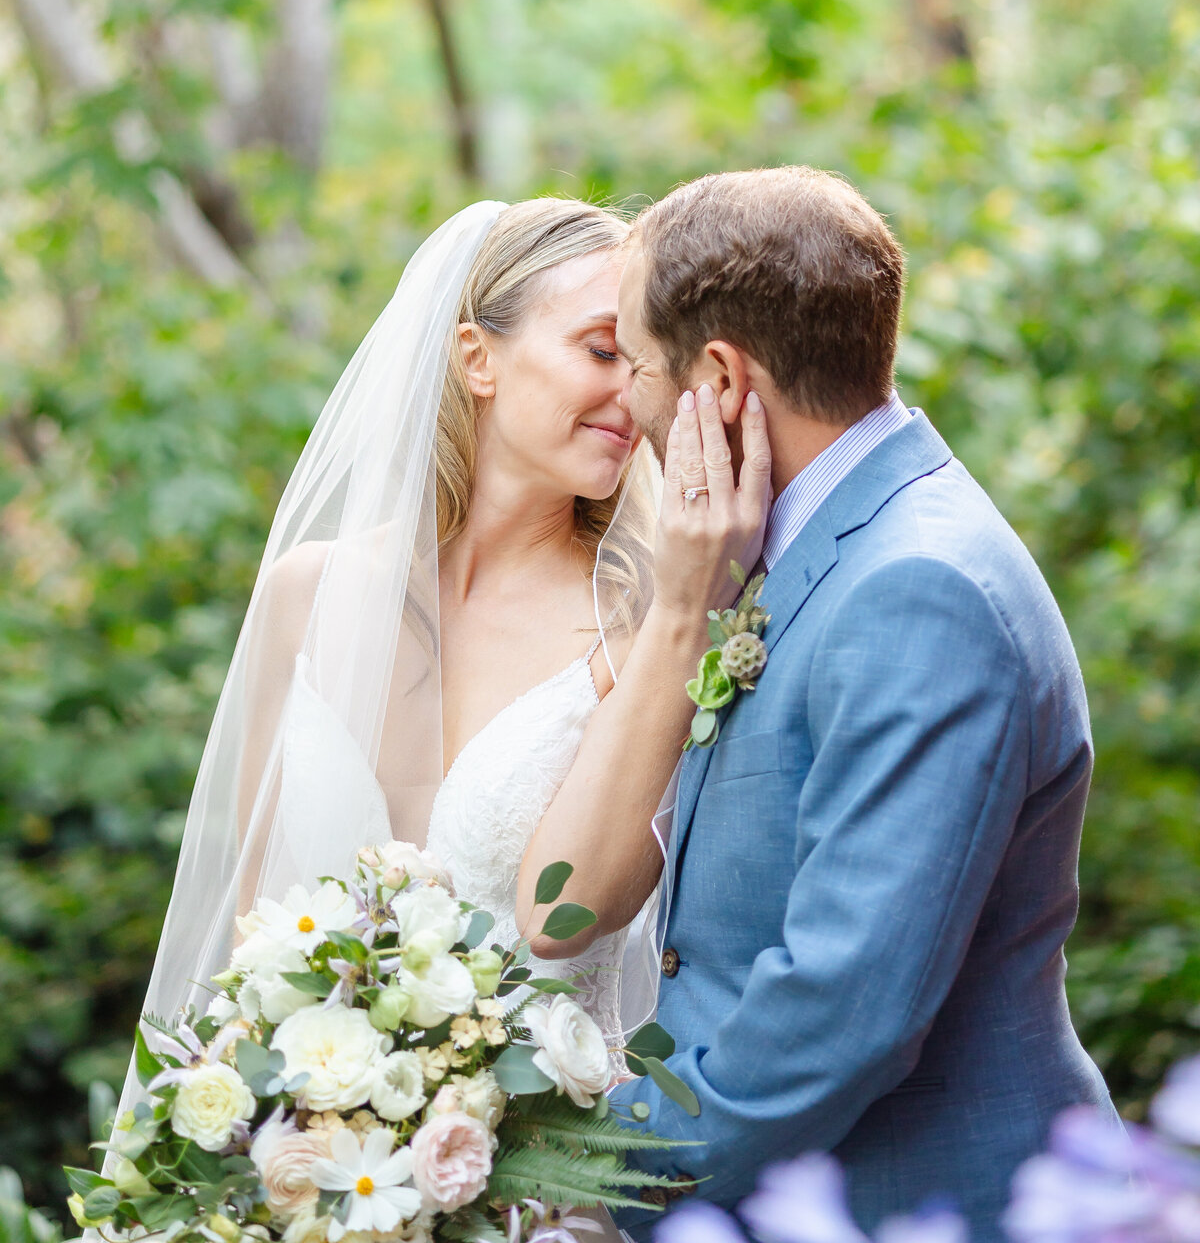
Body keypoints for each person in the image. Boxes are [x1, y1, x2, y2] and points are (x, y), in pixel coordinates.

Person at [119, 195, 771, 1130]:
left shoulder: (648, 629)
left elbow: (577, 918)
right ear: (477, 358)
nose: (633, 395)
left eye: (644, 364)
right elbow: (250, 936)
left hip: (538, 1184)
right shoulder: (306, 596)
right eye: (599, 350)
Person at [607, 165, 1117, 1243]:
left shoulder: (915, 591)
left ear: (719, 379)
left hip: (929, 1202)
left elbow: (842, 1011)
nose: (626, 401)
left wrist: (587, 1177)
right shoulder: (808, 554)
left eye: (639, 367)